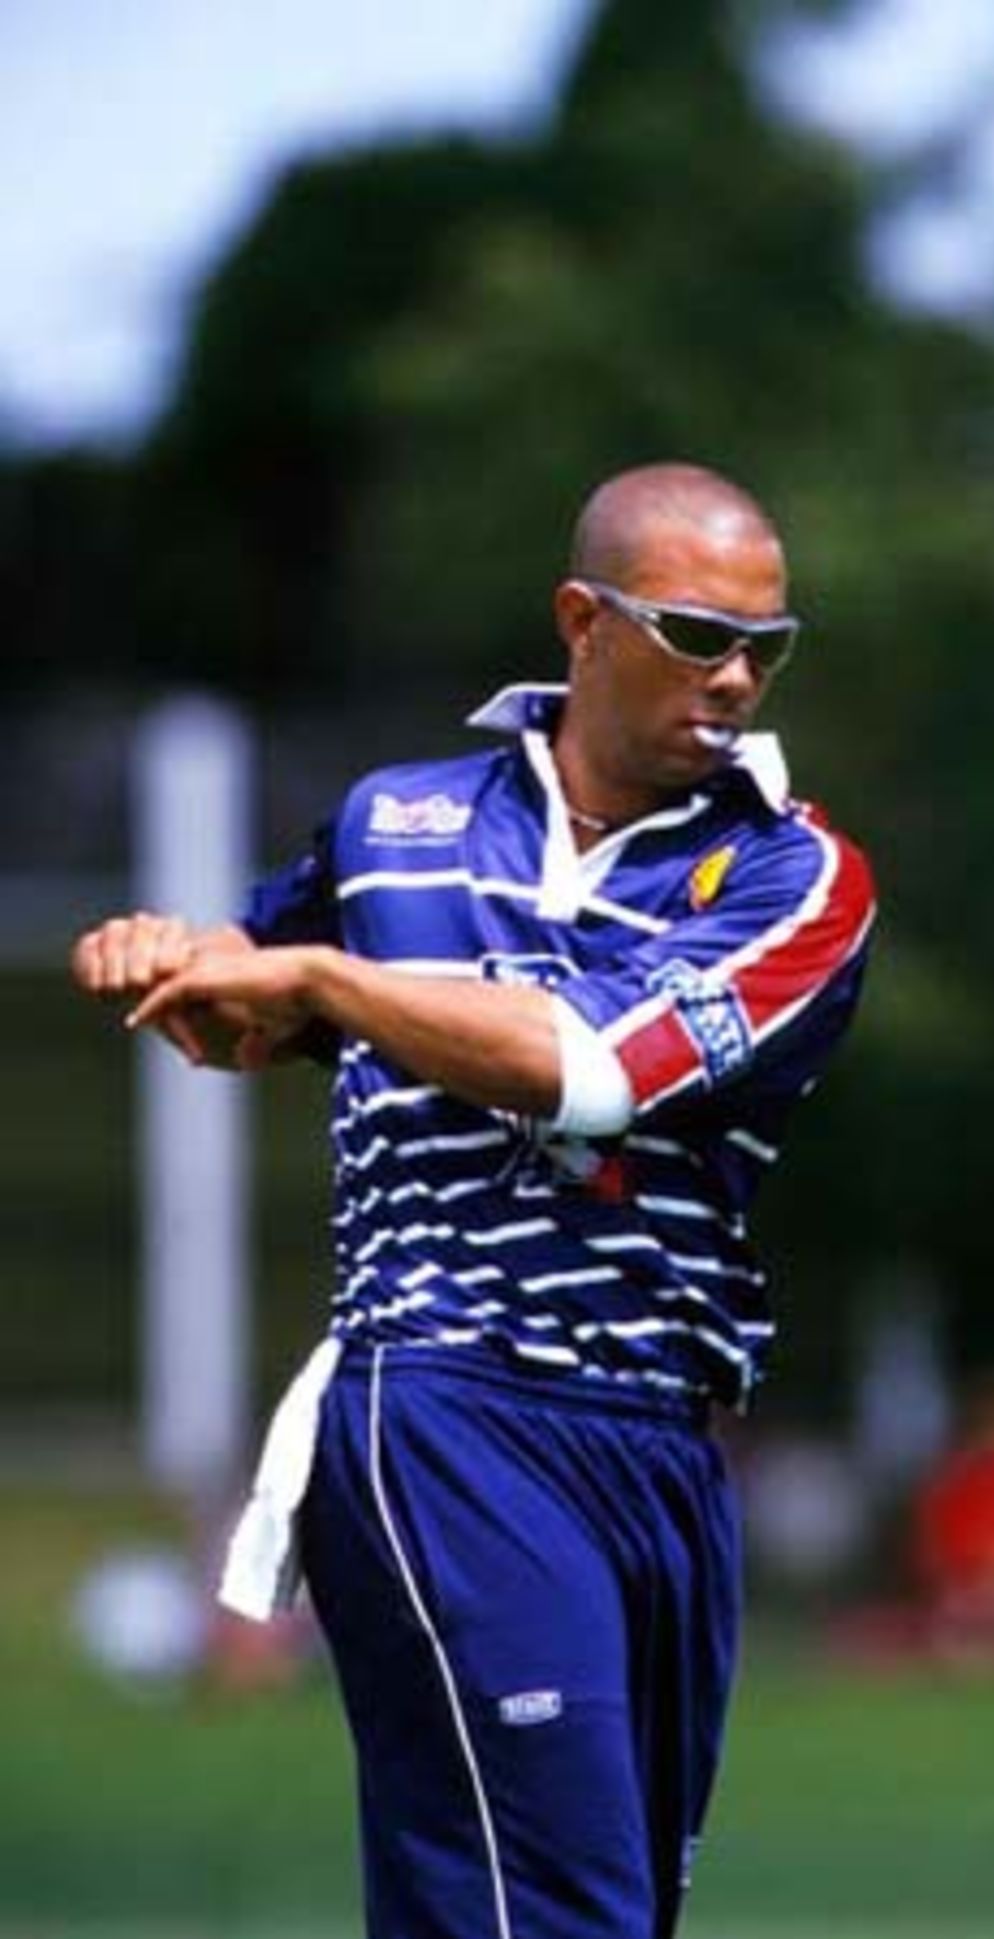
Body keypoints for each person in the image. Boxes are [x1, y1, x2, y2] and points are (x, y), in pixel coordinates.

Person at [71, 462, 877, 1939]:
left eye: (769, 642)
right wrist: (167, 959)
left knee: (587, 1915)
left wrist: (321, 979)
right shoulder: (394, 821)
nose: (741, 675)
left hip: (663, 1446)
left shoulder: (798, 875)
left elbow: (595, 1071)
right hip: (448, 1408)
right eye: (699, 632)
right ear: (585, 619)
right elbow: (238, 998)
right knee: (548, 1914)